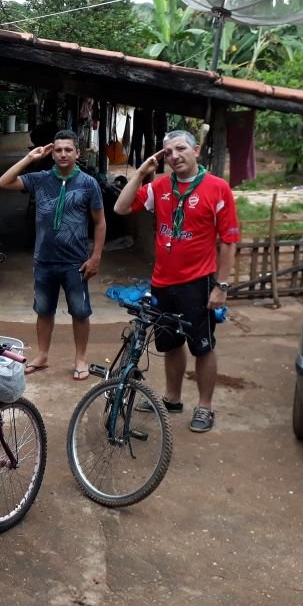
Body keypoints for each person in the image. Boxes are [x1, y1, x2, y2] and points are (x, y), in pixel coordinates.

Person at [114, 129, 240, 433]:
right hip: (162, 282)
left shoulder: (217, 188)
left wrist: (221, 287)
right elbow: (121, 207)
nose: (174, 156)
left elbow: (229, 241)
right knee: (170, 343)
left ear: (196, 151)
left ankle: (205, 406)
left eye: (181, 149)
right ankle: (172, 398)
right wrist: (141, 172)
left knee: (203, 347)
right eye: (168, 152)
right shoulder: (159, 186)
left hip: (197, 283)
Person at [0, 130, 106, 380]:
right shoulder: (40, 179)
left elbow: (100, 222)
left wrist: (96, 256)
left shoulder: (89, 183)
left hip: (76, 262)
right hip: (44, 260)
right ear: (52, 153)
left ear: (78, 153)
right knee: (44, 311)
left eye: (68, 149)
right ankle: (43, 355)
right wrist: (30, 158)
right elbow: (3, 182)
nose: (63, 154)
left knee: (80, 312)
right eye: (58, 150)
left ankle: (80, 359)